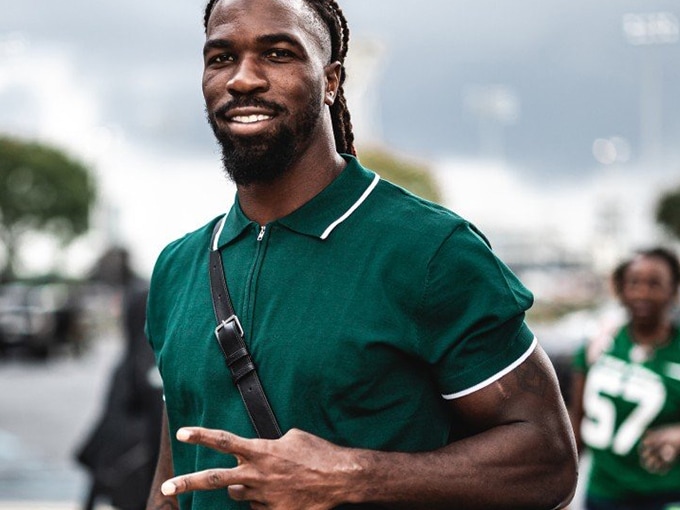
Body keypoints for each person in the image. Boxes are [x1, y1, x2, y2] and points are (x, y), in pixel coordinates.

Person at [144, 0, 578, 509]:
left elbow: (548, 461)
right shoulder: (178, 268)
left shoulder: (430, 251)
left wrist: (352, 474)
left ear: (330, 81)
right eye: (220, 58)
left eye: (278, 54)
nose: (243, 79)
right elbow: (173, 482)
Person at [570, 247, 680, 510]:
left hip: (666, 494)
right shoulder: (599, 345)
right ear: (620, 289)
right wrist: (560, 489)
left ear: (674, 289)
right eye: (634, 283)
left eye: (654, 283)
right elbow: (577, 419)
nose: (642, 292)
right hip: (604, 493)